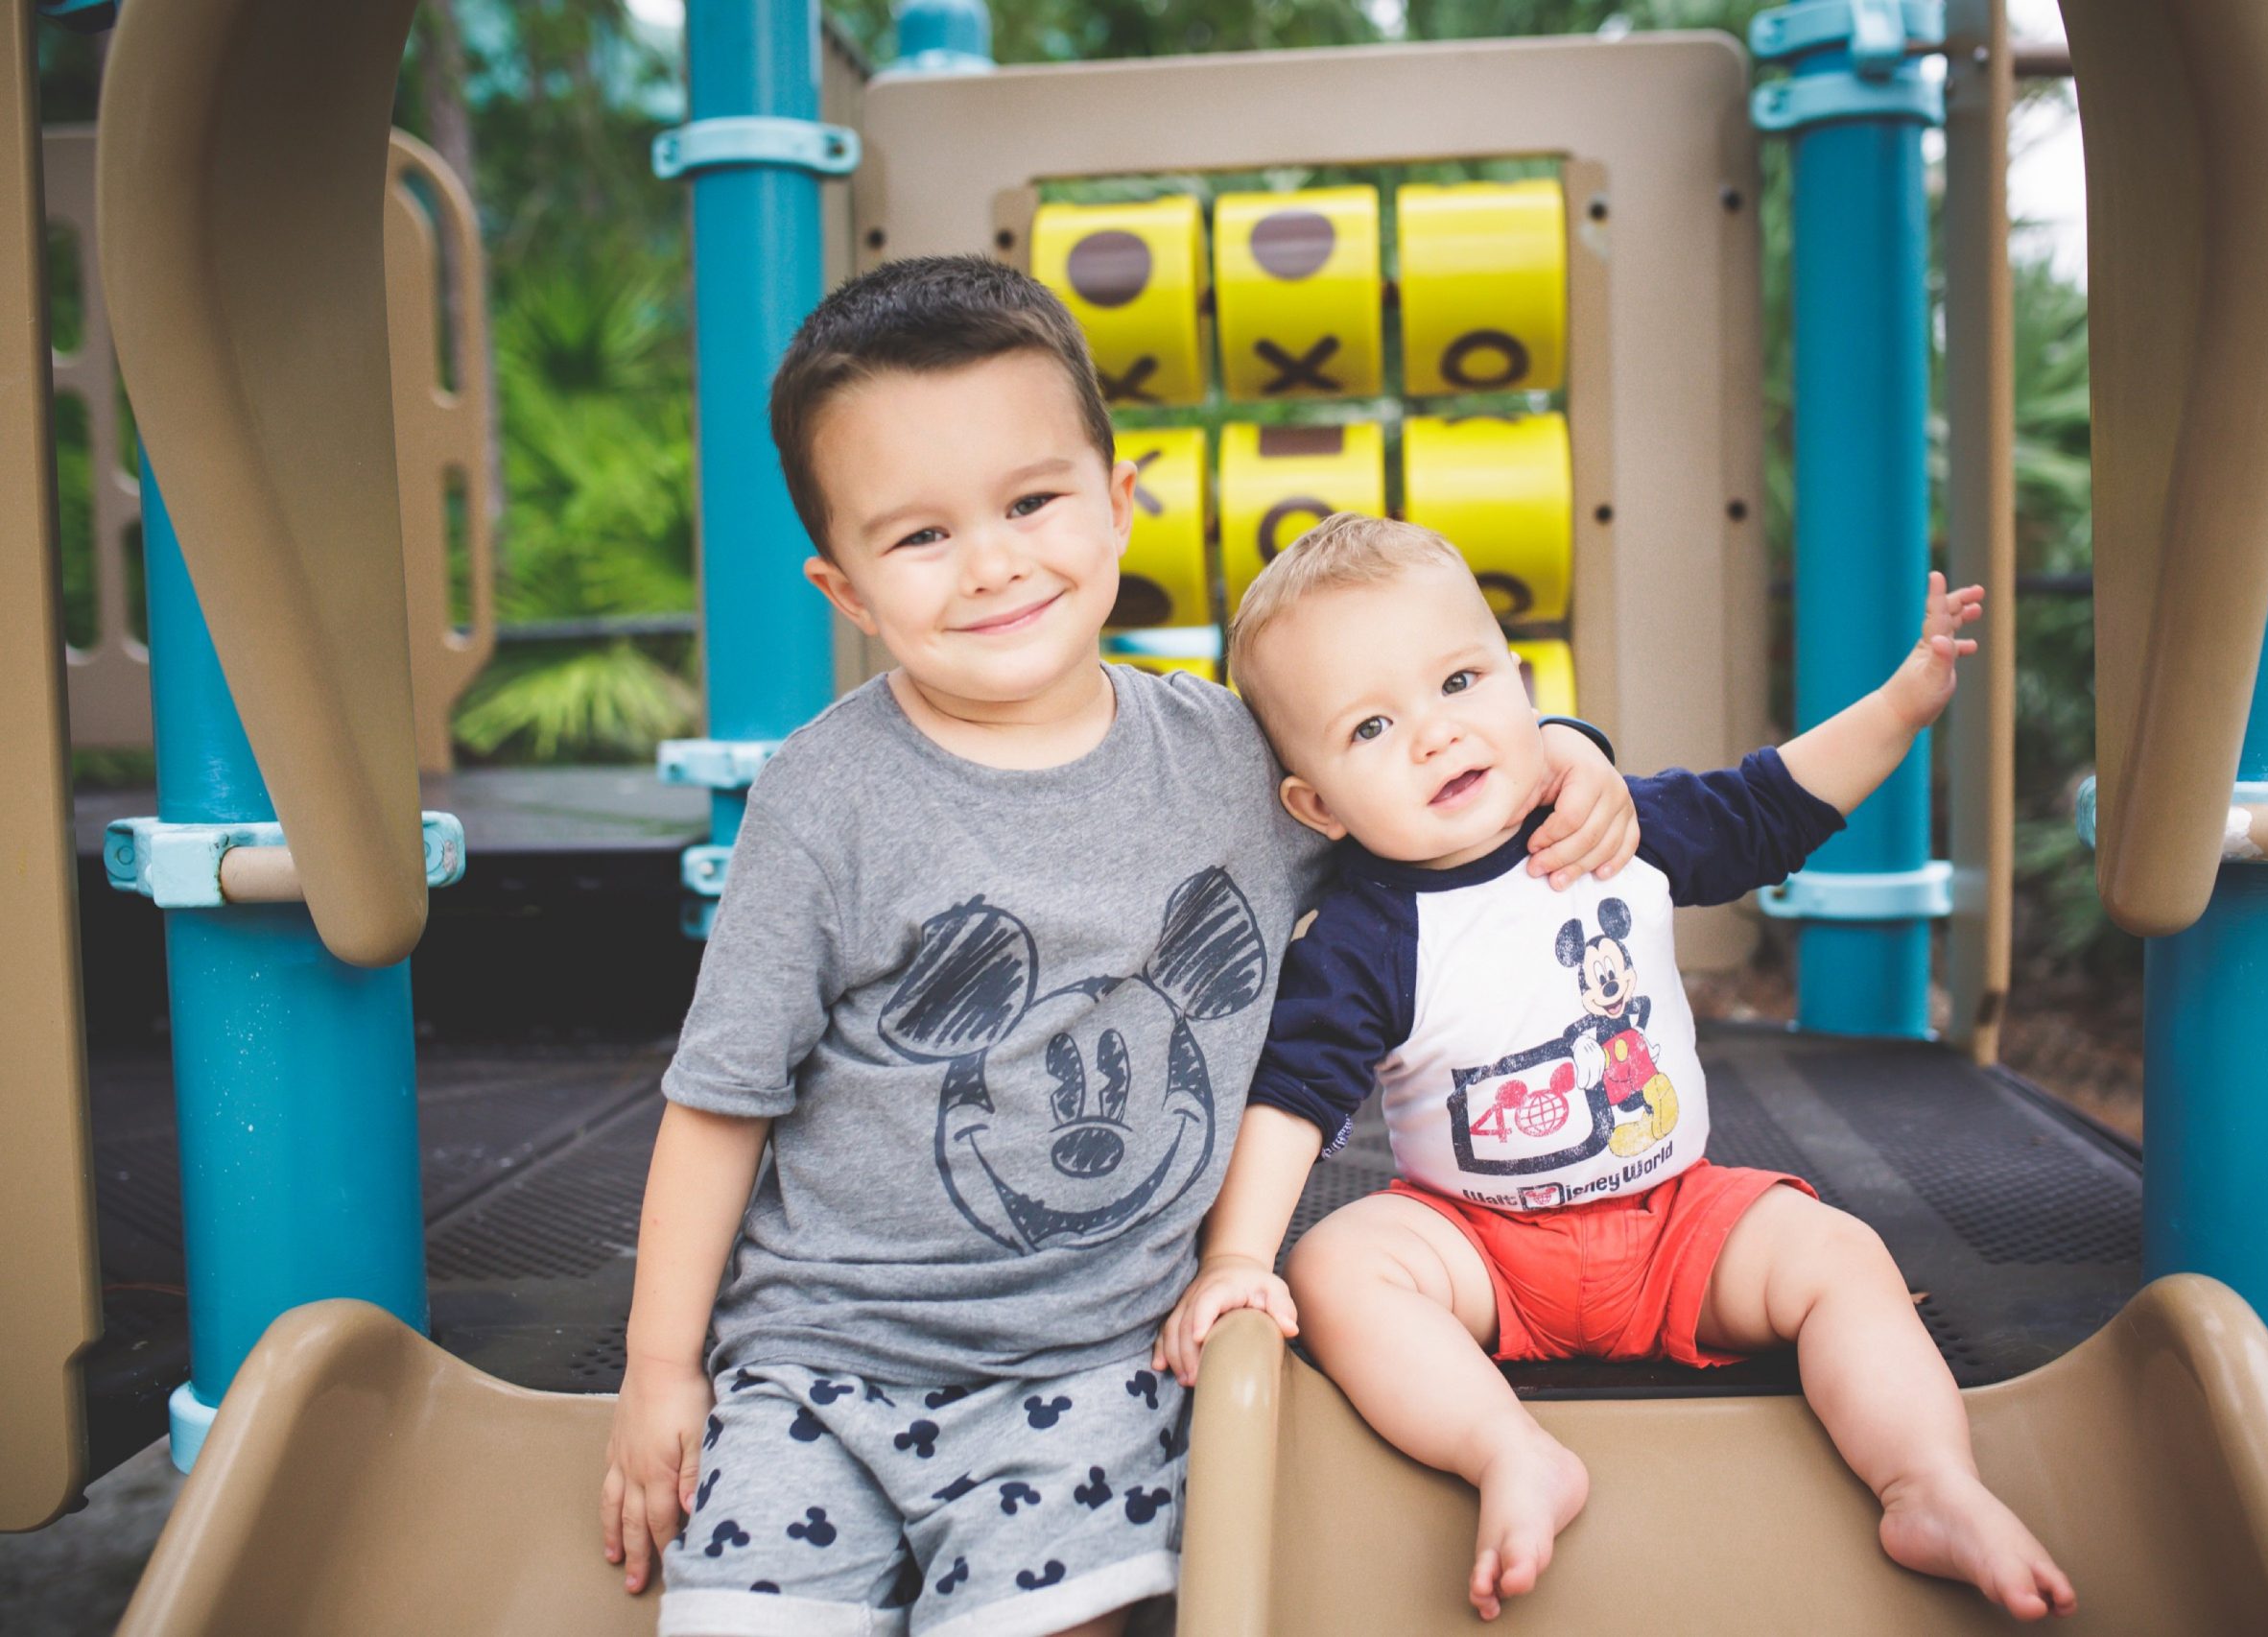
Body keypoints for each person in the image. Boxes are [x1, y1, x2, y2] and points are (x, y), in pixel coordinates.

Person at [597, 259, 1640, 1637]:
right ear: (844, 588)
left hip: (1093, 1363)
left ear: (1118, 500)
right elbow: (723, 1095)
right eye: (922, 535)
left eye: (1032, 502)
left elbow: (1419, 780)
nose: (993, 562)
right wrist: (661, 1365)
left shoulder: (1231, 761)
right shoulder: (822, 800)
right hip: (816, 1356)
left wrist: (1564, 747)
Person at [1158, 514, 2077, 1625]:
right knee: (1339, 1264)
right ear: (1315, 804)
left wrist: (1902, 704)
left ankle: (1928, 1481)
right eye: (1371, 725)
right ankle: (1506, 1448)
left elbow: (1768, 807)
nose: (1436, 734)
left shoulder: (1608, 824)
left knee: (1839, 1254)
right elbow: (1293, 1097)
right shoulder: (1365, 933)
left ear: (1520, 682)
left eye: (1459, 680)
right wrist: (1237, 1258)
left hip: (1678, 1221)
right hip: (1480, 1248)